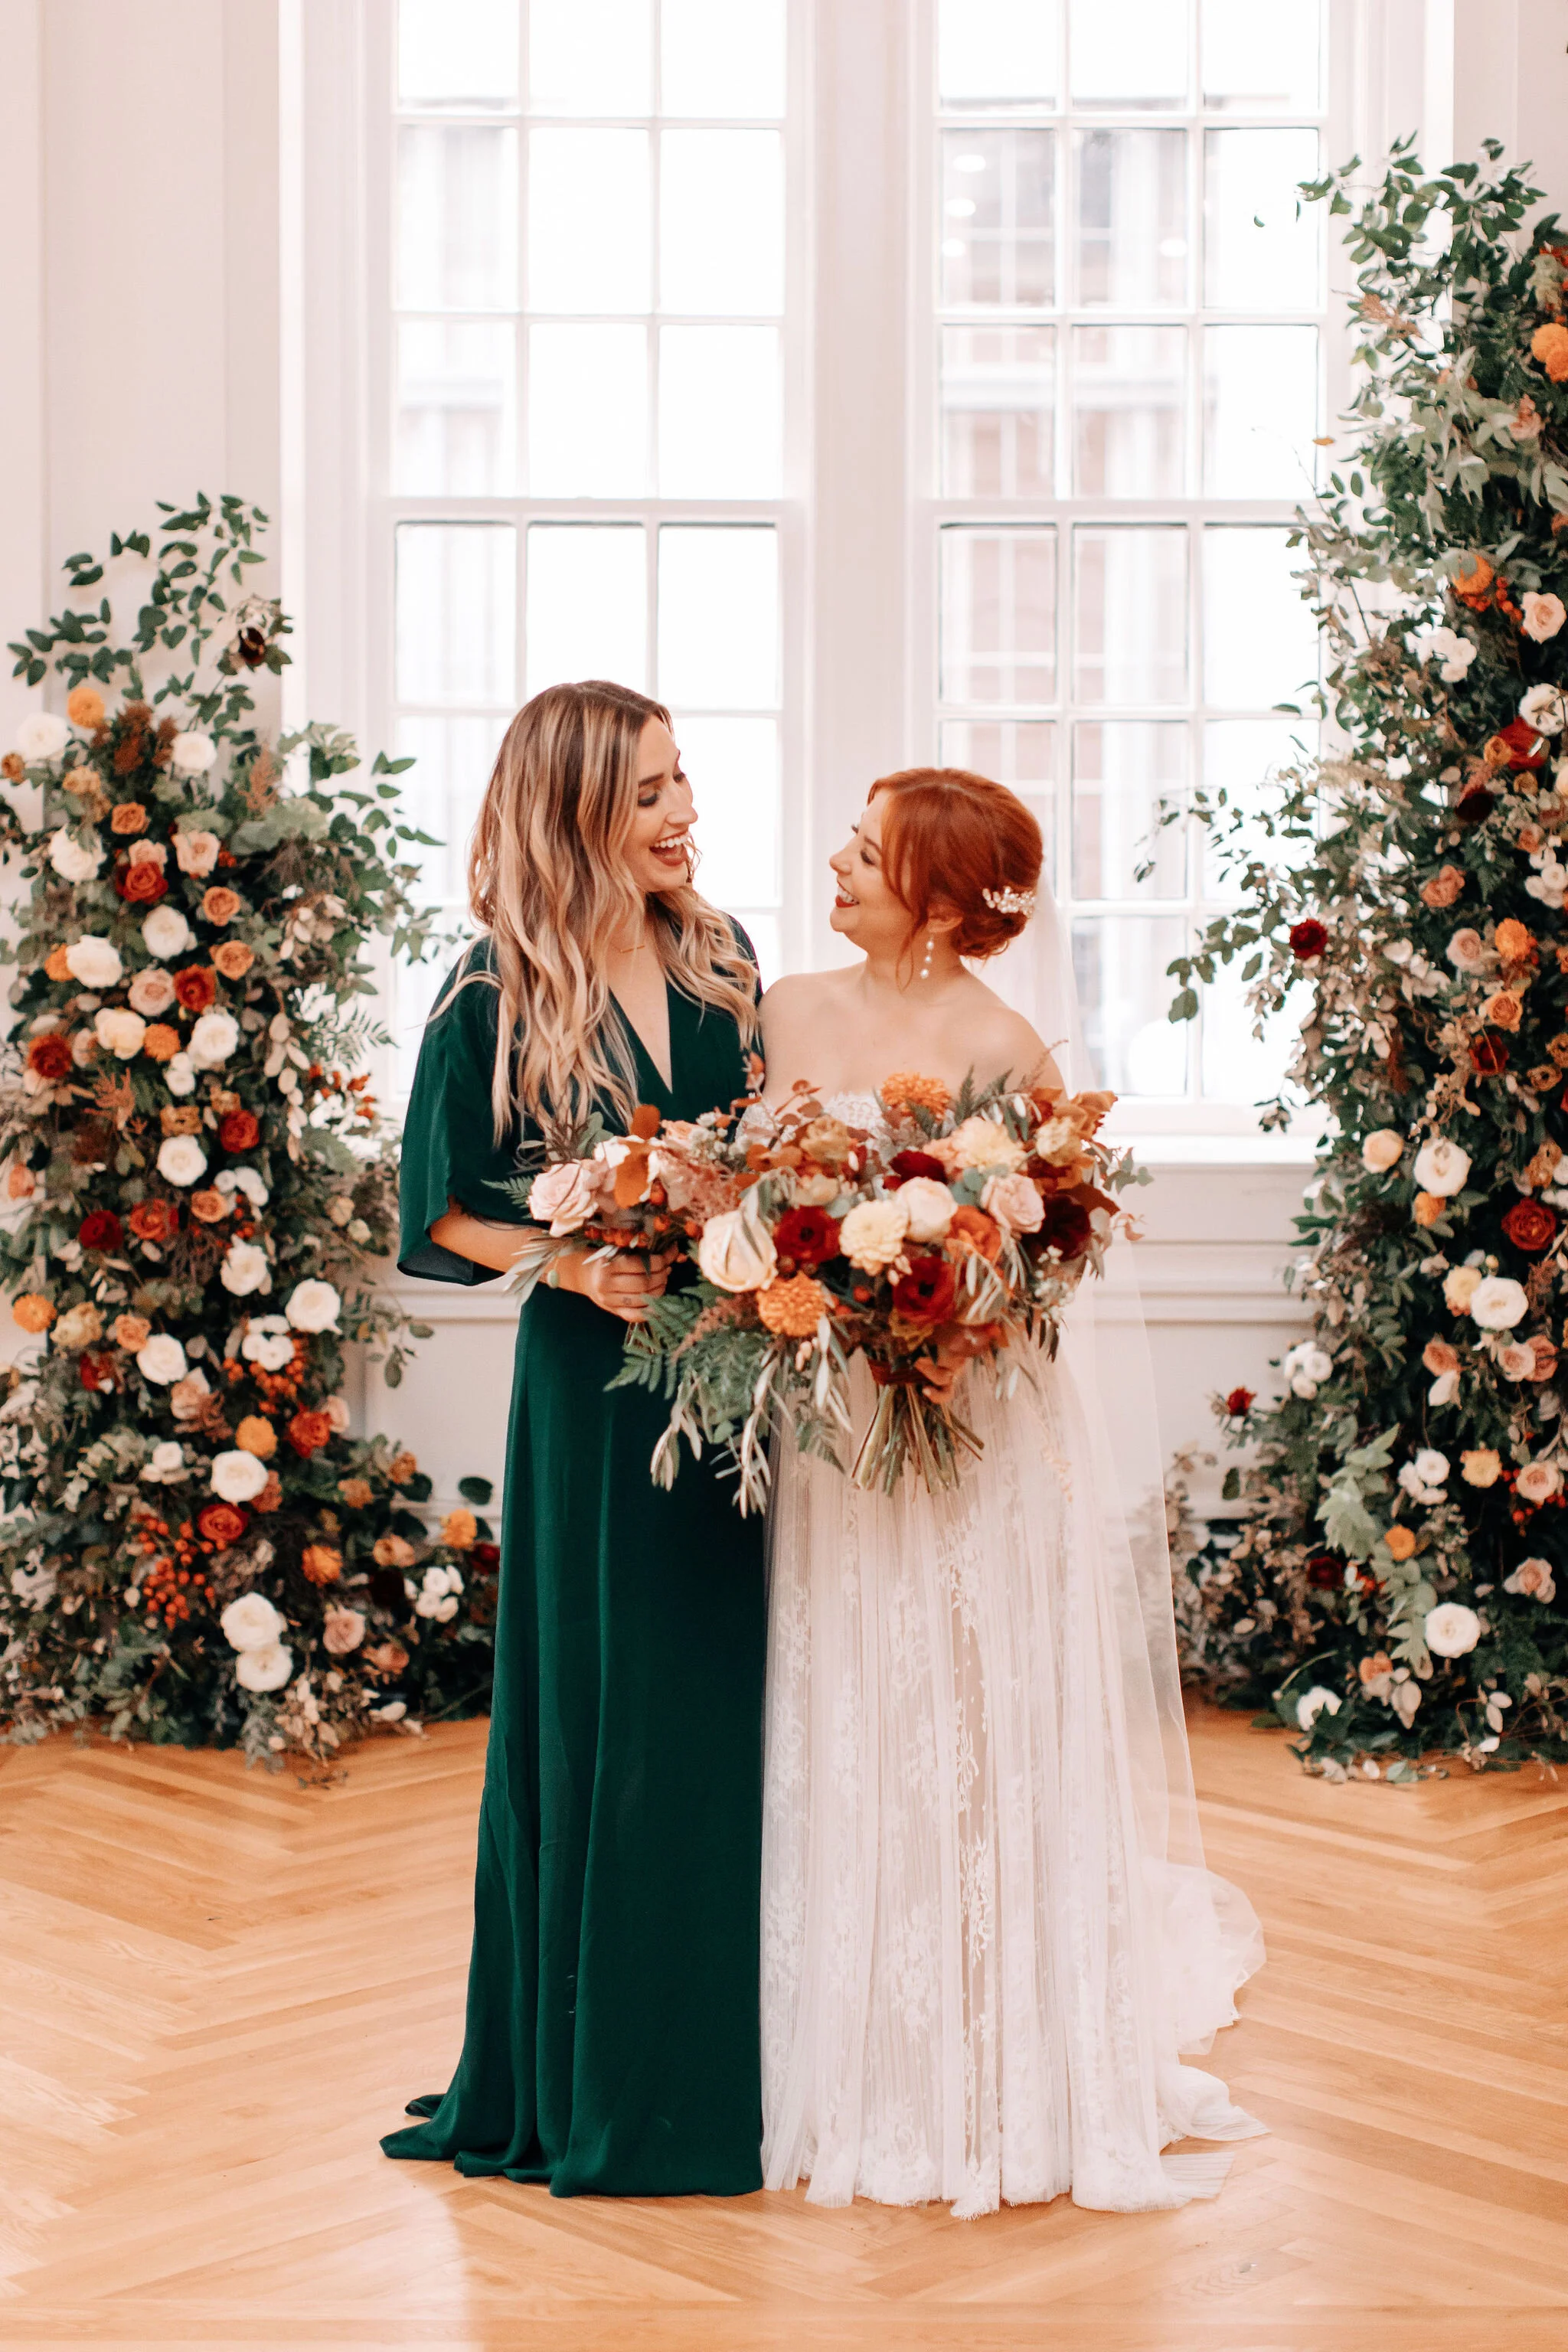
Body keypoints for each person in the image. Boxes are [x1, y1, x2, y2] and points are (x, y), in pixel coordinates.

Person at [756, 766, 1265, 2218]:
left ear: (934, 896)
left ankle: (992, 2048)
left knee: (971, 1732)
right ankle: (846, 2034)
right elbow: (756, 1192)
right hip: (839, 1438)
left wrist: (946, 1311)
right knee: (850, 1708)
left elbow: (1055, 1264)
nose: (836, 865)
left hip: (967, 1441)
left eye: (866, 852)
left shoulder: (1009, 1049)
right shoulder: (784, 1010)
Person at [382, 679, 766, 2197]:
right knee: (598, 1711)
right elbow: (436, 1214)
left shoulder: (729, 959)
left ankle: (720, 2058)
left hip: (731, 1370)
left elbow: (760, 1148)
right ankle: (584, 2071)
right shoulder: (490, 990)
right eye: (654, 792)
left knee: (717, 1712)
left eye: (685, 784)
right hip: (587, 1388)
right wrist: (563, 1259)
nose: (685, 815)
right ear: (577, 809)